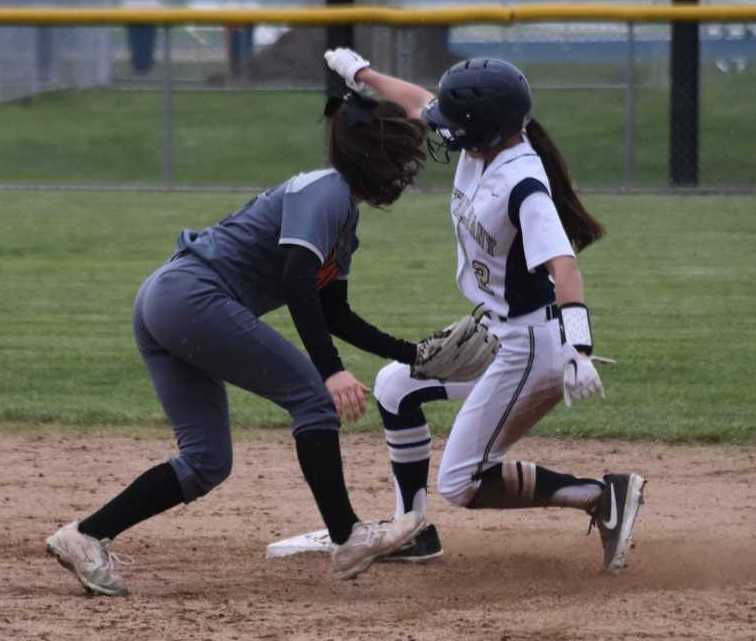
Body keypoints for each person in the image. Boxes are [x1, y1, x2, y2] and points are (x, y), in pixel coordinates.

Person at [45, 92, 429, 596]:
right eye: (397, 154)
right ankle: (348, 536)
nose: (403, 166)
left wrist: (413, 354)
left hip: (169, 300)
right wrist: (331, 371)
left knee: (206, 461)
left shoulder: (341, 216)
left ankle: (85, 535)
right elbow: (297, 281)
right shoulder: (327, 191)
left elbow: (333, 311)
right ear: (375, 157)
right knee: (314, 399)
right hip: (191, 296)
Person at [324, 49, 646, 572]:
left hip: (531, 348)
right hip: (494, 332)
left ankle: (600, 495)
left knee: (461, 481)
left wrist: (579, 348)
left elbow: (565, 269)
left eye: (454, 122)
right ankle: (413, 532)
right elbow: (417, 103)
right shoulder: (483, 148)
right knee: (393, 387)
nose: (440, 129)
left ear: (484, 129)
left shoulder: (524, 185)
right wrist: (361, 73)